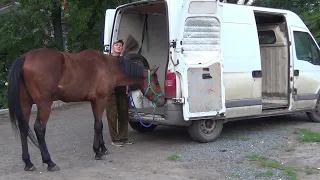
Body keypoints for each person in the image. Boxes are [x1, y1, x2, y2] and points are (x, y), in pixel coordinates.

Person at [106, 39, 133, 147]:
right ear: (113, 47)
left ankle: (123, 137)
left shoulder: (124, 61)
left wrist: (128, 87)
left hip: (122, 90)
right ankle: (115, 139)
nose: (119, 47)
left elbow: (127, 75)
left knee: (124, 114)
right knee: (112, 115)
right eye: (116, 45)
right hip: (111, 91)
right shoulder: (108, 60)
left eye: (120, 45)